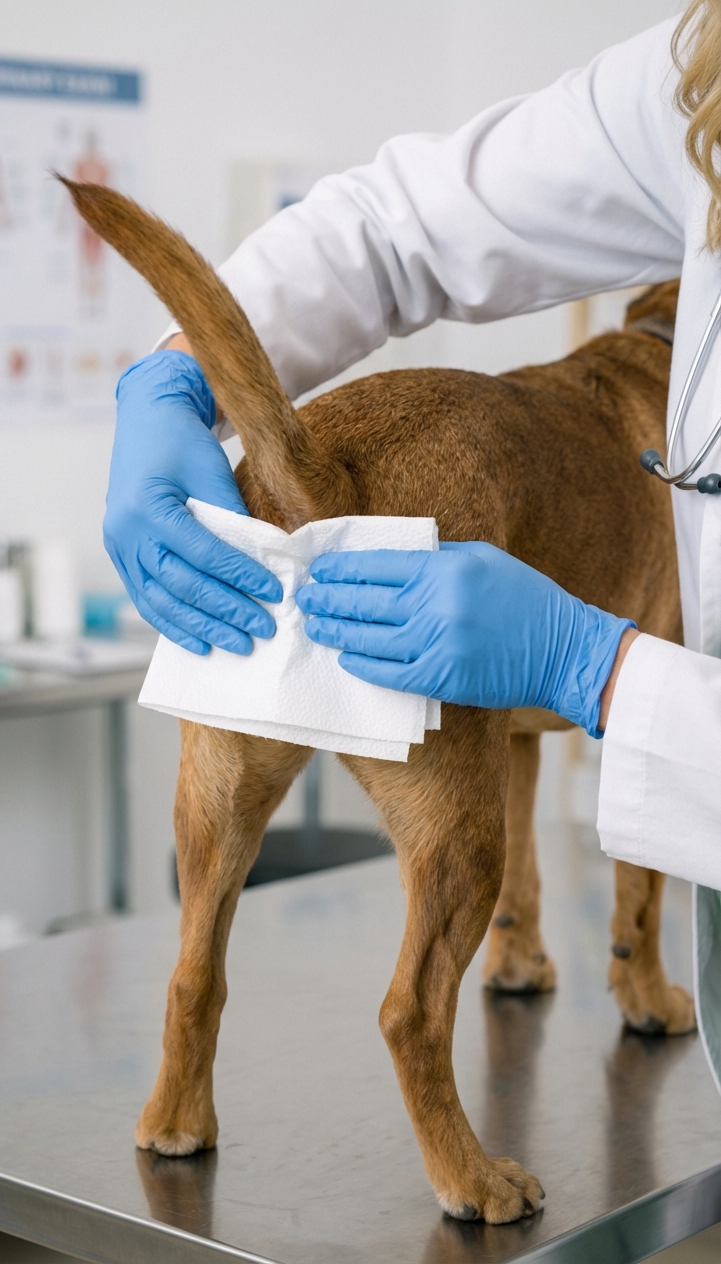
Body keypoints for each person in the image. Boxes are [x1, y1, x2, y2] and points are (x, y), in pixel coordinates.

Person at [106, 7, 721, 1086]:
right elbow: (406, 224)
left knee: (218, 851)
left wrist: (606, 674)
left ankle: (183, 1073)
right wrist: (174, 375)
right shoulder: (696, 80)